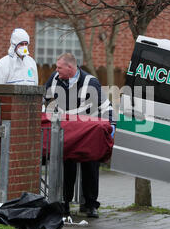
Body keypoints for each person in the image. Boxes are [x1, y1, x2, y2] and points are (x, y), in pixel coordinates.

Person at [43, 53, 116, 218]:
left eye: (59, 67)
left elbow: (106, 106)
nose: (56, 70)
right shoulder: (54, 79)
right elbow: (42, 100)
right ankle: (65, 203)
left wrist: (111, 126)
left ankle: (90, 204)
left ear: (70, 68)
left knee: (90, 166)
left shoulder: (91, 82)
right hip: (66, 133)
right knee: (67, 168)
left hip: (88, 134)